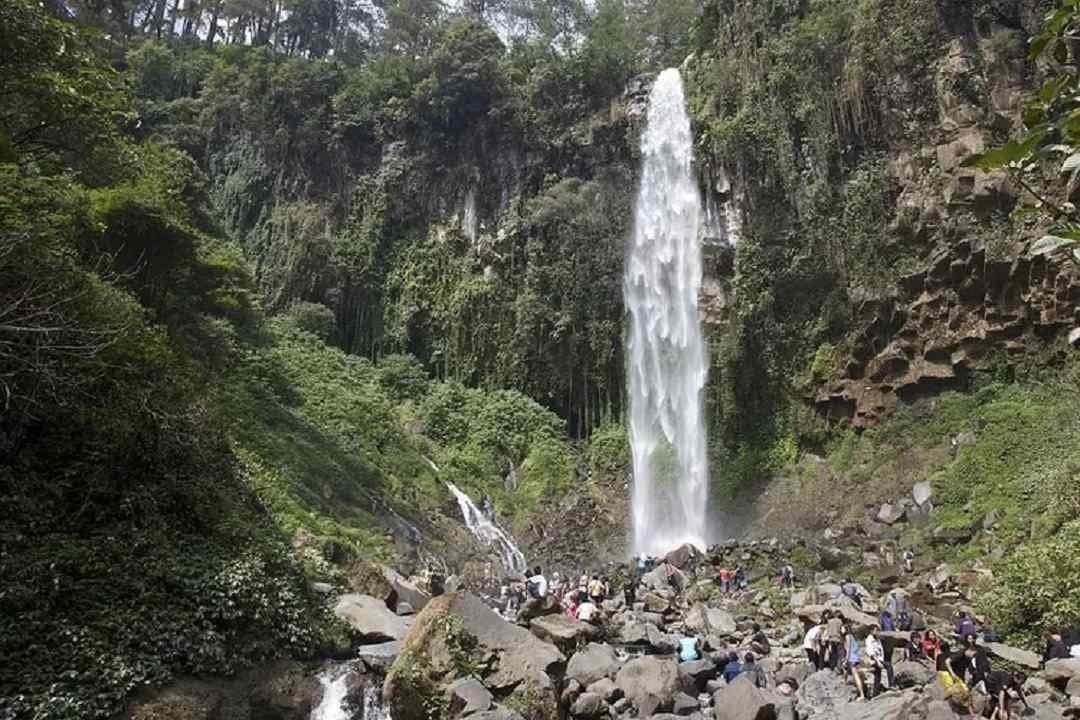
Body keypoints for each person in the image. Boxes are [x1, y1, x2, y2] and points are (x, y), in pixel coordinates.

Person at [865, 625, 895, 698]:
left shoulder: (877, 639)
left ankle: (875, 694)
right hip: (874, 661)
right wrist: (878, 662)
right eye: (875, 630)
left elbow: (881, 650)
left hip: (879, 659)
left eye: (877, 630)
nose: (877, 632)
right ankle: (891, 684)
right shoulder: (869, 640)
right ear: (871, 631)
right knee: (889, 666)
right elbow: (870, 652)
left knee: (878, 677)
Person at [843, 626, 867, 701]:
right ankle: (845, 681)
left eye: (842, 628)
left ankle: (862, 695)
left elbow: (848, 649)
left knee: (856, 677)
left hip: (851, 658)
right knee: (853, 672)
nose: (841, 629)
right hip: (856, 657)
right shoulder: (852, 637)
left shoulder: (847, 636)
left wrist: (846, 659)